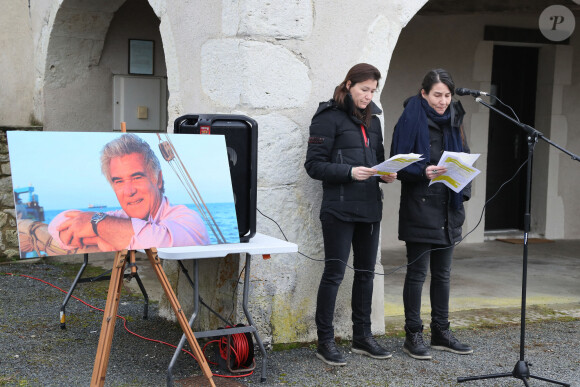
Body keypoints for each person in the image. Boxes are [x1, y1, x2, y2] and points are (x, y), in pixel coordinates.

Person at [304, 63, 397, 366]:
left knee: (367, 274)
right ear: (348, 85)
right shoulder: (328, 118)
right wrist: (348, 171)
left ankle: (362, 337)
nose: (369, 95)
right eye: (364, 89)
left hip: (370, 208)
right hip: (339, 210)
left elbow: (379, 160)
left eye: (373, 90)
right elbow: (314, 165)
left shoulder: (374, 121)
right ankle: (325, 341)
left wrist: (386, 174)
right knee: (334, 274)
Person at [390, 69, 473, 360]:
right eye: (437, 94)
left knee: (443, 275)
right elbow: (396, 164)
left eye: (447, 95)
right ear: (424, 93)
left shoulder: (455, 119)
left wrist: (462, 189)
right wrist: (422, 171)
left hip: (448, 208)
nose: (443, 101)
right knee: (417, 275)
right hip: (420, 205)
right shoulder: (410, 120)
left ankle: (441, 332)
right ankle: (413, 334)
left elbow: (464, 157)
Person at [48, 133, 210, 251]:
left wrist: (97, 225)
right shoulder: (119, 218)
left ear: (158, 180)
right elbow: (58, 223)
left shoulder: (189, 220)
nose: (129, 191)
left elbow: (158, 244)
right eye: (118, 181)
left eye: (137, 177)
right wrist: (101, 231)